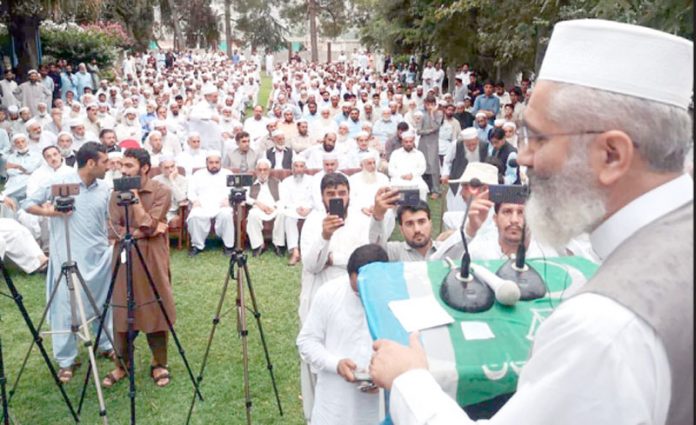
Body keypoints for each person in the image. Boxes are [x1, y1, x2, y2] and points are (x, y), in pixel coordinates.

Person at [369, 19, 693, 425]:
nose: (523, 159)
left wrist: (408, 380)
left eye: (539, 138)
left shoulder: (605, 328)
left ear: (612, 155)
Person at [22, 142, 114, 383]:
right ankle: (66, 360)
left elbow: (109, 219)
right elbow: (28, 204)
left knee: (103, 302)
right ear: (91, 163)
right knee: (66, 307)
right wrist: (53, 213)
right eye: (105, 161)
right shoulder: (61, 179)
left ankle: (106, 344)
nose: (109, 166)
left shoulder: (105, 187)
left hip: (99, 255)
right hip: (68, 256)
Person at [298, 172, 371, 422]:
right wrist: (325, 236)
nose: (337, 198)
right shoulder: (313, 222)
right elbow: (312, 264)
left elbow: (363, 259)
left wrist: (335, 259)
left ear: (349, 194)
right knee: (314, 360)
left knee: (348, 356)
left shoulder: (360, 220)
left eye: (341, 193)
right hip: (318, 296)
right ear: (322, 197)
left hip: (352, 299)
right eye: (331, 194)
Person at [102, 148, 175, 389]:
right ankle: (122, 365)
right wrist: (142, 232)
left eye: (129, 166)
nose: (123, 170)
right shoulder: (115, 192)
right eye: (122, 165)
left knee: (155, 306)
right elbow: (113, 229)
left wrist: (133, 199)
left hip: (152, 257)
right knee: (122, 307)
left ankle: (159, 363)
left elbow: (149, 222)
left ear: (144, 167)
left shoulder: (162, 191)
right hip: (123, 255)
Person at [296, 243, 389, 425]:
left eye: (367, 290)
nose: (361, 295)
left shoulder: (397, 298)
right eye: (356, 290)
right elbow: (306, 342)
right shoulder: (329, 293)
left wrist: (388, 377)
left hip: (378, 408)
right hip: (334, 406)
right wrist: (336, 364)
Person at [186, 151, 235, 257]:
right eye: (211, 162)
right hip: (202, 204)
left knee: (226, 215)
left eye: (217, 162)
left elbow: (234, 190)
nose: (214, 165)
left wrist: (229, 199)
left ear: (220, 162)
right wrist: (195, 200)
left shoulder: (228, 173)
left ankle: (228, 246)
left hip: (222, 205)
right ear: (206, 163)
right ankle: (197, 246)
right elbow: (190, 191)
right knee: (194, 216)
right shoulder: (198, 174)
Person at [369, 192, 439, 261]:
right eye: (409, 224)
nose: (417, 229)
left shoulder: (445, 250)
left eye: (421, 222)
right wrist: (377, 215)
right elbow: (375, 250)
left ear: (430, 224)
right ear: (401, 229)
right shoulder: (394, 252)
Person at [441, 127, 488, 212]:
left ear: (477, 140)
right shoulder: (456, 145)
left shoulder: (484, 146)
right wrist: (445, 173)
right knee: (456, 209)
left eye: (473, 144)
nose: (471, 147)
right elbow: (447, 161)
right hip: (459, 180)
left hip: (477, 182)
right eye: (468, 145)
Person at [280, 156, 313, 266]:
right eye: (296, 166)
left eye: (301, 166)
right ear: (292, 168)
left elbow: (315, 198)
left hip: (309, 210)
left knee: (316, 217)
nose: (299, 169)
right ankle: (295, 251)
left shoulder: (312, 180)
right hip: (293, 210)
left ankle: (310, 251)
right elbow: (284, 201)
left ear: (305, 168)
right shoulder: (286, 182)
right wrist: (297, 208)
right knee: (289, 219)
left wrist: (308, 208)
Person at [388, 130, 429, 201]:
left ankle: (419, 210)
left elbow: (422, 168)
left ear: (413, 142)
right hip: (398, 178)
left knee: (422, 188)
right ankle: (397, 210)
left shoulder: (419, 154)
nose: (408, 144)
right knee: (393, 188)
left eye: (410, 141)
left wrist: (412, 175)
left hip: (415, 178)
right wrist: (401, 176)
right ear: (402, 142)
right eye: (406, 142)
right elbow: (391, 170)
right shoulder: (395, 153)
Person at [417, 96, 443, 199]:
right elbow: (418, 131)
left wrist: (432, 114)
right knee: (423, 164)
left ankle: (436, 189)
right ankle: (425, 188)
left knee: (433, 165)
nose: (429, 106)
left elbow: (436, 127)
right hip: (423, 142)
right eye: (427, 104)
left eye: (431, 104)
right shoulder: (422, 115)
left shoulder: (439, 114)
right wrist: (428, 131)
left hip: (433, 143)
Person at [153, 155, 188, 224]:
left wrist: (172, 180)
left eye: (172, 166)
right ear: (161, 168)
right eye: (166, 168)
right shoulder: (155, 180)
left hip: (171, 213)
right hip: (156, 211)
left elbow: (181, 199)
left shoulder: (183, 180)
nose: (170, 170)